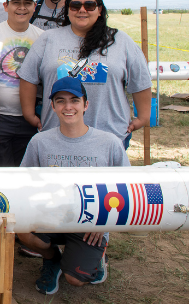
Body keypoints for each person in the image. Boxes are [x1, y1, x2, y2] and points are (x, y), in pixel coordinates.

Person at [19, 76, 129, 294]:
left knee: (75, 279)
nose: (68, 106)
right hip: (51, 217)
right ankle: (53, 259)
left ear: (86, 105)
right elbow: (24, 183)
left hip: (91, 224)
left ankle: (94, 257)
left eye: (74, 100)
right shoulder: (40, 142)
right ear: (52, 106)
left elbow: (125, 190)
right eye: (60, 101)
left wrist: (104, 223)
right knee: (22, 231)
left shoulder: (109, 143)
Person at [18, 0, 151, 148]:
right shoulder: (48, 39)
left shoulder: (120, 40)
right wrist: (29, 114)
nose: (82, 10)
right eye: (75, 5)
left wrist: (143, 117)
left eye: (89, 5)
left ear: (99, 9)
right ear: (67, 10)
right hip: (57, 135)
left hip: (109, 136)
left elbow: (141, 81)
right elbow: (28, 78)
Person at [0, 0, 44, 166]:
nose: (22, 8)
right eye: (16, 3)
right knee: (2, 171)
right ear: (6, 6)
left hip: (30, 118)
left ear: (34, 7)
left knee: (26, 170)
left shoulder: (42, 38)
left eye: (27, 3)